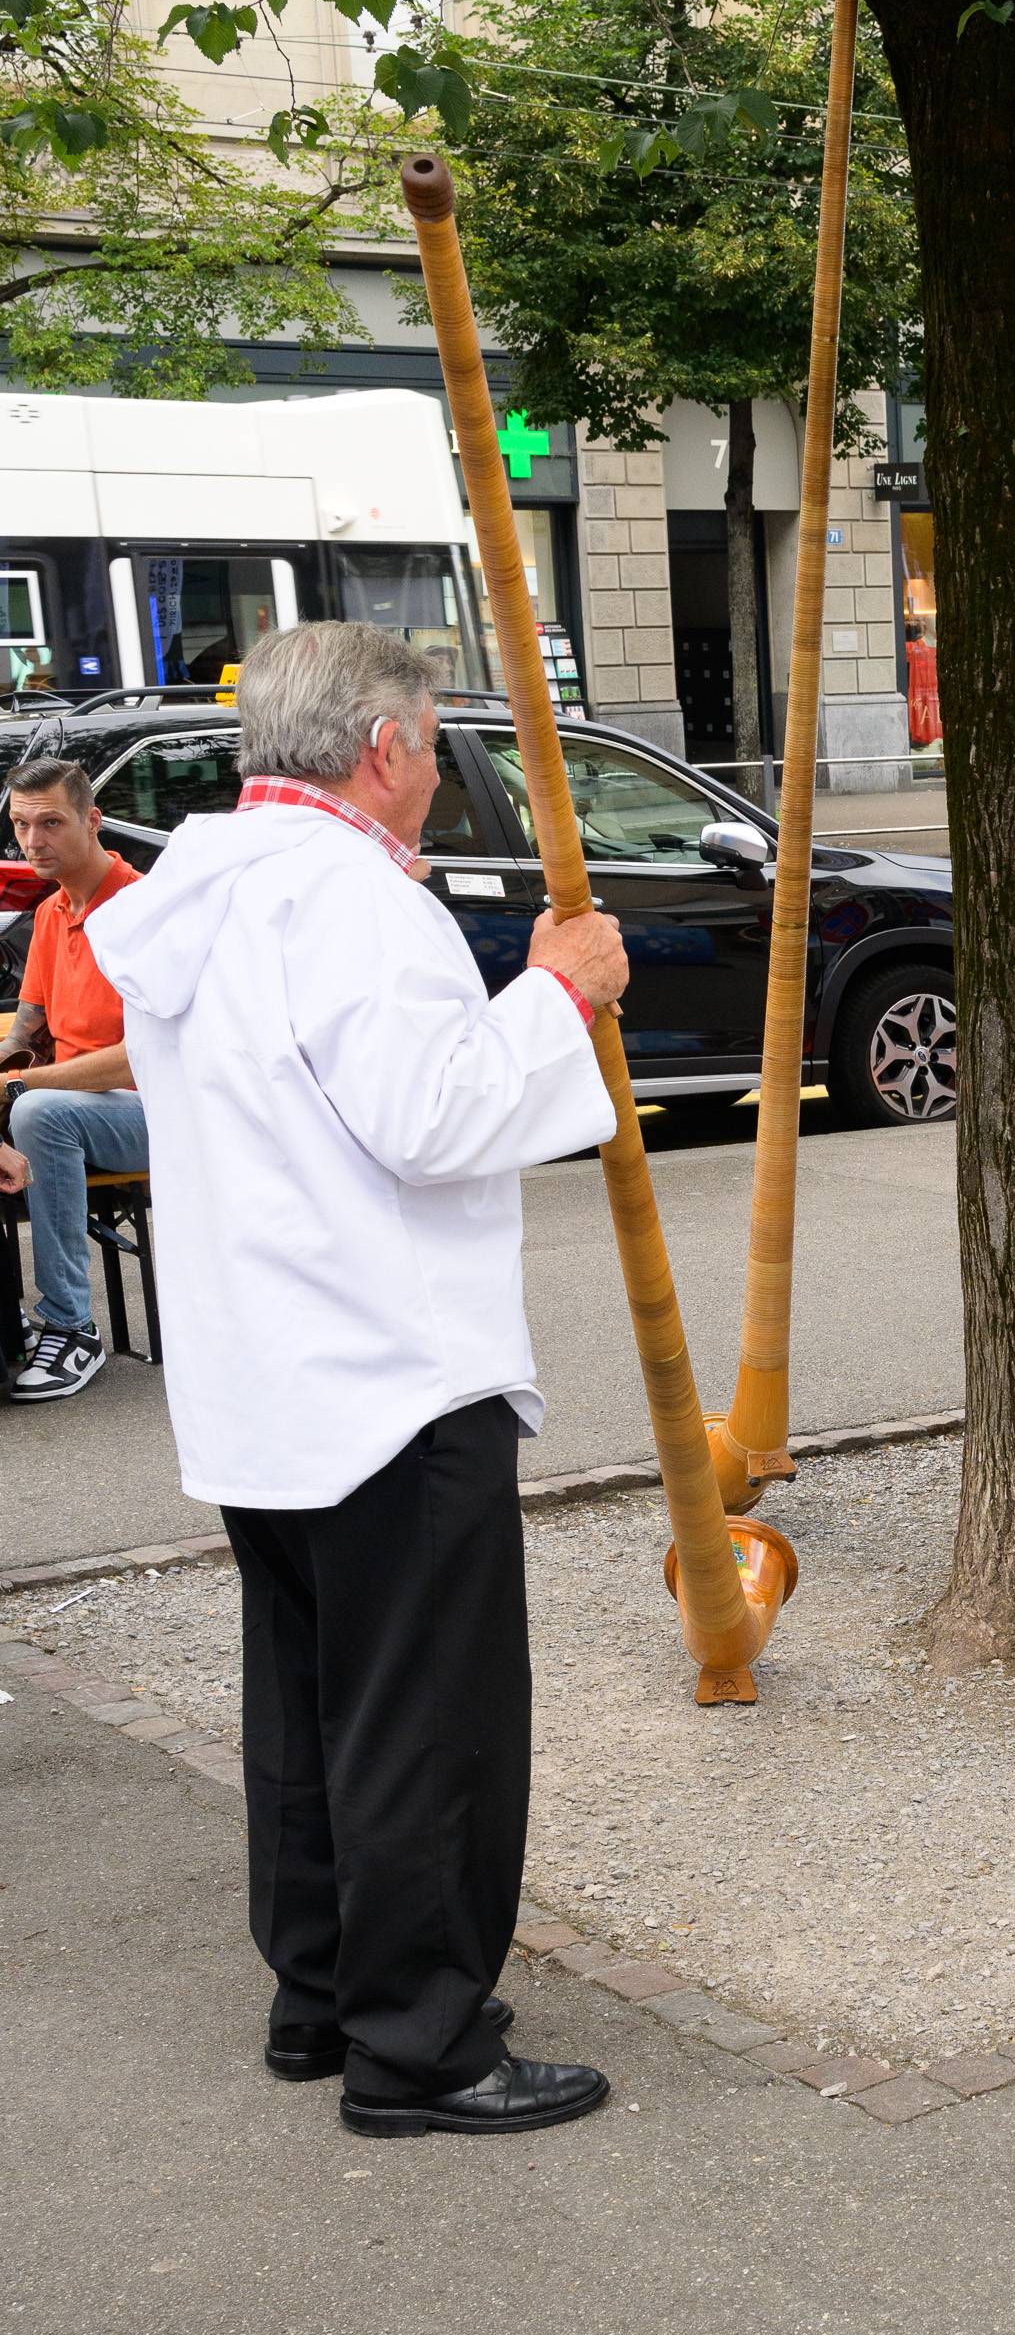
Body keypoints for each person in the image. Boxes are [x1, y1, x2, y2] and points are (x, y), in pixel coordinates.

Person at [89, 624, 631, 2136]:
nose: (439, 762)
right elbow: (432, 1115)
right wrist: (558, 995)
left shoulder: (193, 891)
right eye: (433, 735)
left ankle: (324, 1989)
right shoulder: (355, 903)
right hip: (392, 1370)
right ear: (382, 744)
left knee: (312, 1707)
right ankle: (423, 2042)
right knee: (427, 1721)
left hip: (265, 1369)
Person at [0, 756, 147, 1400]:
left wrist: (19, 1088)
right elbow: (24, 1031)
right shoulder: (53, 909)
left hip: (157, 1111)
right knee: (32, 1107)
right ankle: (9, 1326)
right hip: (79, 1104)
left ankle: (71, 1326)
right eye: (21, 825)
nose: (33, 841)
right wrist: (8, 1068)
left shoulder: (141, 909)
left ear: (92, 821)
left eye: (51, 823)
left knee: (38, 1113)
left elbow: (141, 1057)